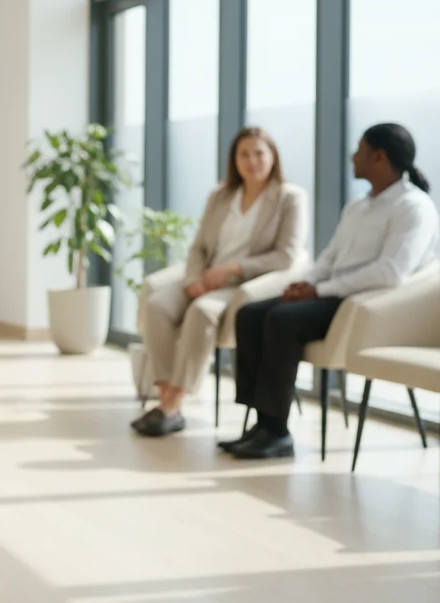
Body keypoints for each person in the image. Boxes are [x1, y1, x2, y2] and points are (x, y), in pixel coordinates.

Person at [225, 122, 439, 459]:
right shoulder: (358, 206)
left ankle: (277, 432)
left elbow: (390, 272)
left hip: (364, 302)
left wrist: (321, 289)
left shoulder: (414, 208)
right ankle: (261, 422)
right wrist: (307, 283)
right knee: (250, 314)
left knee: (281, 320)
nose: (354, 156)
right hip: (329, 294)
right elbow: (330, 256)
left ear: (379, 157)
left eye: (360, 149)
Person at [132, 127, 308, 436]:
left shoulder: (289, 197)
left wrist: (232, 269)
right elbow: (198, 246)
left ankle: (173, 405)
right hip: (204, 277)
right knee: (157, 305)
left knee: (202, 311)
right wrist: (192, 279)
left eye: (259, 153)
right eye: (244, 154)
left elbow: (286, 256)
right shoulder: (221, 195)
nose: (252, 161)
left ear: (273, 156)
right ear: (234, 160)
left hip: (241, 284)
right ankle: (163, 395)